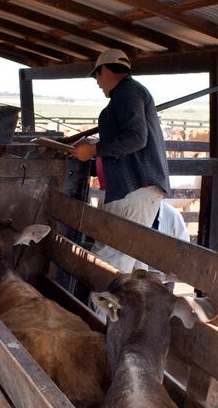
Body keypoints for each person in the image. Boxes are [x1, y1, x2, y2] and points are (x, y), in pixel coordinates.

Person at [72, 48, 170, 272]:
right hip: (135, 189)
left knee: (110, 260)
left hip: (133, 189)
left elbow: (136, 138)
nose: (97, 82)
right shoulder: (128, 93)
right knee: (132, 261)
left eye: (97, 75)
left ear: (105, 70)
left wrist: (94, 150)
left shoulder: (127, 92)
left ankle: (100, 296)